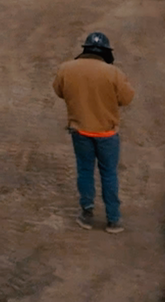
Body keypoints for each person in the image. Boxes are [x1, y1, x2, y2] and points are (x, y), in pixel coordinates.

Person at [52, 32, 135, 232]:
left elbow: (59, 91)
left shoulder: (66, 69)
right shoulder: (114, 73)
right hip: (107, 134)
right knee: (108, 174)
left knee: (85, 171)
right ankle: (113, 219)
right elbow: (127, 99)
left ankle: (87, 214)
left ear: (85, 49)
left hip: (80, 131)